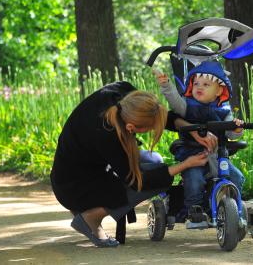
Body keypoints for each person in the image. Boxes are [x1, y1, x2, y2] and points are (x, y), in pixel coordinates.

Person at [50, 81, 216, 247]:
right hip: (73, 187)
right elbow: (137, 182)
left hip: (86, 167)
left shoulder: (124, 93)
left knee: (155, 161)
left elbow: (158, 115)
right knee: (159, 179)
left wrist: (191, 130)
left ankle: (93, 207)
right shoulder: (106, 134)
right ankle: (91, 217)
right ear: (131, 127)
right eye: (149, 129)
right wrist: (185, 165)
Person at [155, 61, 245, 222]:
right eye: (196, 83)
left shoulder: (224, 111)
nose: (199, 87)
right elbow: (174, 101)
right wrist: (167, 86)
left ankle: (230, 206)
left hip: (217, 157)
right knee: (194, 180)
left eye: (205, 84)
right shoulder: (187, 106)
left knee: (236, 177)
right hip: (193, 155)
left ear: (219, 90)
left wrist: (237, 129)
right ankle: (193, 209)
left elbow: (232, 134)